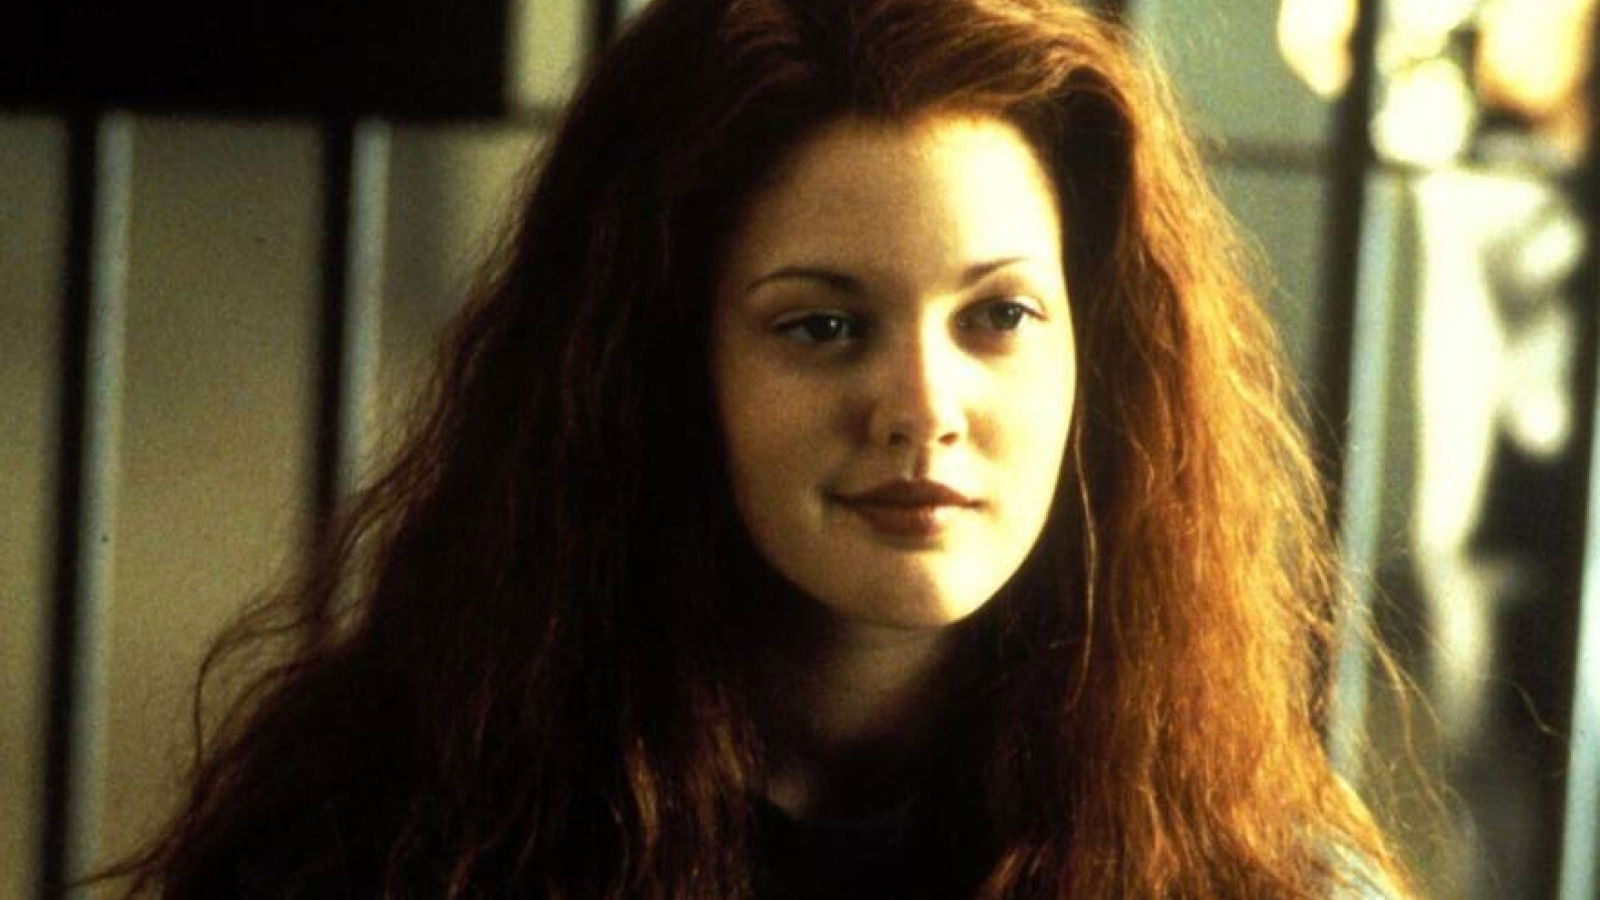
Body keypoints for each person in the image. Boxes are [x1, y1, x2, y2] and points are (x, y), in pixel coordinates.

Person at [110, 0, 1414, 896]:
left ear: (1098, 357)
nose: (922, 405)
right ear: (658, 368)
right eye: (823, 326)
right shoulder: (376, 854)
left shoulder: (1259, 875)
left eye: (1000, 316)